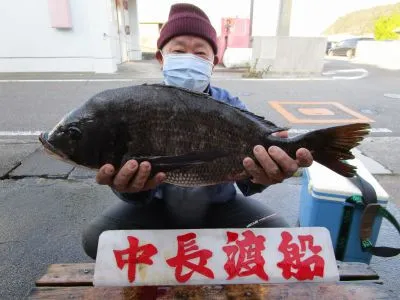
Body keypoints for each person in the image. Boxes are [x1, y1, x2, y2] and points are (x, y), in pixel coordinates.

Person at [82, 3, 313, 259]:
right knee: (96, 240)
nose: (189, 59)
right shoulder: (142, 105)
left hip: (220, 206)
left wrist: (263, 176)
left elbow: (248, 179)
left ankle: (185, 257)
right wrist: (128, 188)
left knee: (280, 236)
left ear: (213, 62)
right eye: (178, 50)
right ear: (161, 58)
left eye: (200, 53)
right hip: (156, 207)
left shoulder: (231, 106)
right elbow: (129, 178)